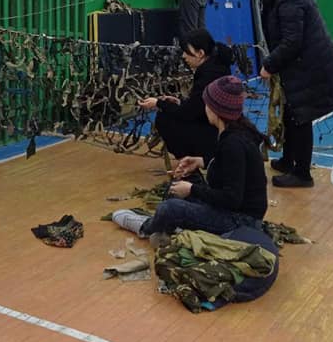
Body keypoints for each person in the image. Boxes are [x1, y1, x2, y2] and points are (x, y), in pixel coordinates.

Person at [112, 76, 268, 237]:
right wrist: (200, 162)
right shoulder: (236, 131)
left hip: (240, 220)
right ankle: (173, 225)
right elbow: (232, 169)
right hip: (235, 210)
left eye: (206, 104)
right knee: (180, 183)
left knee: (170, 208)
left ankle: (147, 228)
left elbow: (231, 198)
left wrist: (192, 190)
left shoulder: (233, 143)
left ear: (215, 109)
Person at [256, 0, 333, 189]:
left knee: (300, 116)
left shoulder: (291, 0)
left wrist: (269, 65)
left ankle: (302, 173)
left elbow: (292, 42)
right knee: (291, 112)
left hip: (311, 66)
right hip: (300, 65)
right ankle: (288, 159)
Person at [138, 28, 233, 163]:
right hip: (223, 129)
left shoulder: (208, 75)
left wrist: (158, 103)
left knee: (164, 119)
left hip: (214, 135)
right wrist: (180, 102)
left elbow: (189, 113)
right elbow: (197, 106)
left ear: (200, 53)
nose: (183, 56)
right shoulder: (218, 66)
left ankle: (190, 164)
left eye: (187, 52)